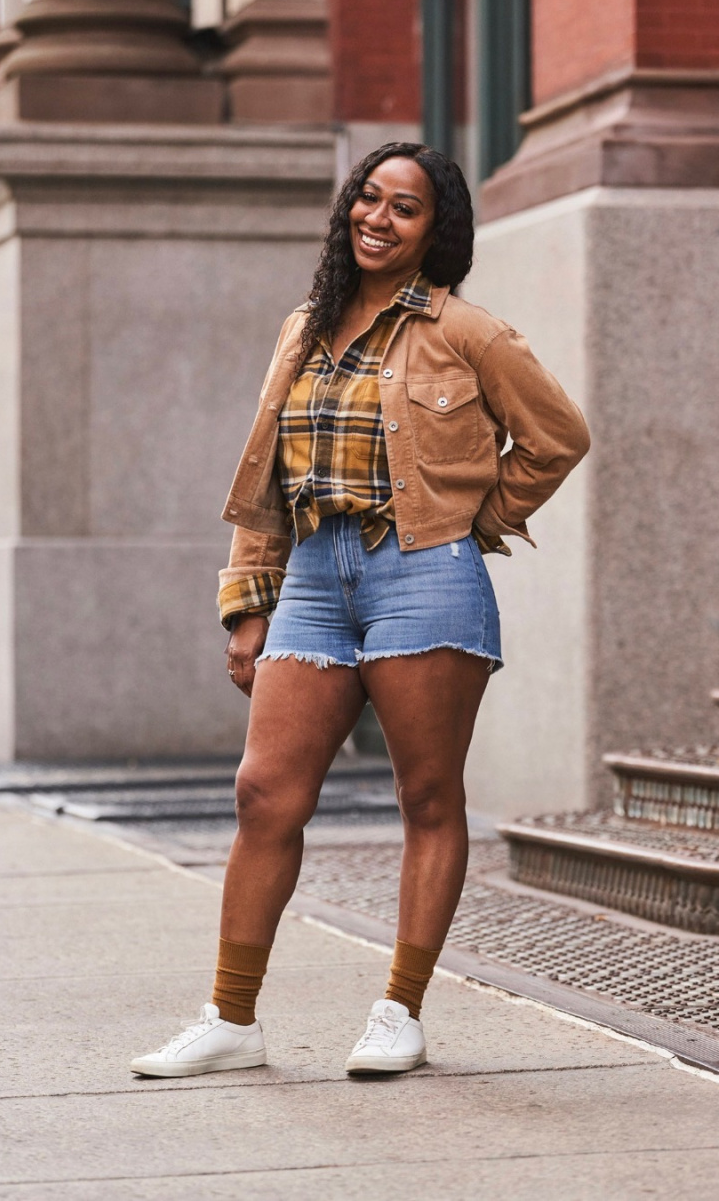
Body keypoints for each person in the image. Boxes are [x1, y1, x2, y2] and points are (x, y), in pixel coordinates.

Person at [130, 142, 589, 1079]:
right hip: (311, 575)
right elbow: (265, 479)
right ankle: (231, 1018)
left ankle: (400, 1011)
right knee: (266, 796)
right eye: (368, 198)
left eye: (405, 208)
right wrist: (247, 605)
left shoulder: (468, 332)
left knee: (426, 797)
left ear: (437, 231)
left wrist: (470, 524)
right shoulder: (303, 328)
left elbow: (558, 437)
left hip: (421, 571)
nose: (379, 217)